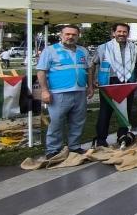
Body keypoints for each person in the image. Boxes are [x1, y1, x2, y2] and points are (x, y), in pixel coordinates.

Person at [36, 24, 94, 159]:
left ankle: (74, 146)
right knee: (56, 122)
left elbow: (89, 69)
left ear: (78, 36)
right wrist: (44, 91)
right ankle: (53, 149)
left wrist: (90, 86)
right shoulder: (50, 50)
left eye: (74, 34)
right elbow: (41, 71)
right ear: (61, 35)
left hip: (79, 91)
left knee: (78, 121)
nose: (70, 37)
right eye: (67, 34)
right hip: (59, 93)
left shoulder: (83, 51)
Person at [90, 23, 137, 147]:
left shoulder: (134, 48)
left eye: (124, 32)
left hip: (127, 82)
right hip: (109, 82)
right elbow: (93, 65)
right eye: (119, 31)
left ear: (128, 33)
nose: (122, 34)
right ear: (113, 33)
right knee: (105, 112)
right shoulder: (103, 48)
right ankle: (101, 140)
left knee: (124, 112)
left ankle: (122, 137)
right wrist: (93, 81)